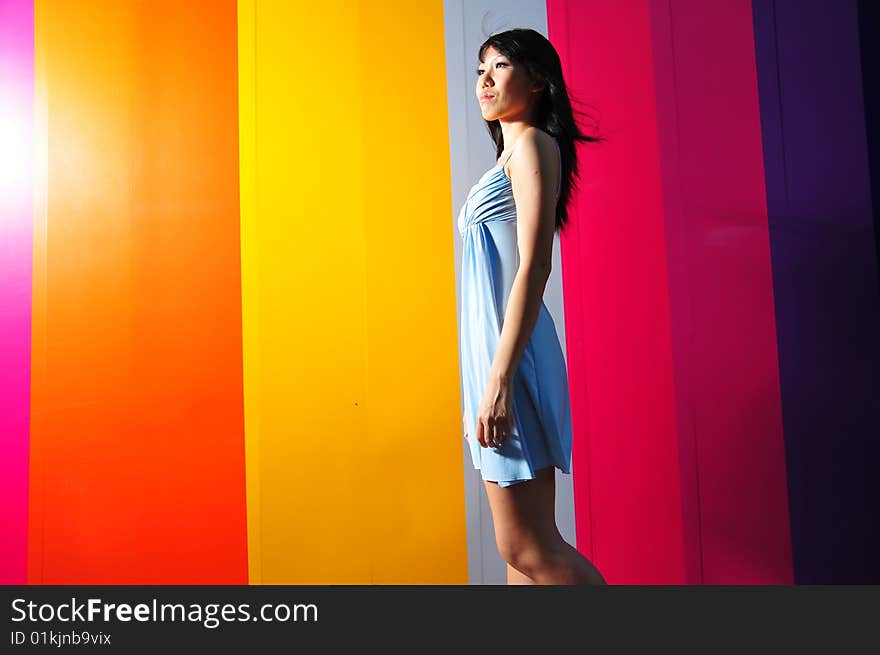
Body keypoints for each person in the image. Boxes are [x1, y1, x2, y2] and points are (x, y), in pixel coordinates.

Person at [456, 28, 606, 585]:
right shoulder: (509, 158)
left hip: (510, 360)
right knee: (519, 554)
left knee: (526, 545)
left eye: (500, 66)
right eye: (480, 69)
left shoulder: (533, 146)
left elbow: (534, 266)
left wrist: (499, 378)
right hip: (494, 360)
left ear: (538, 81)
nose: (485, 80)